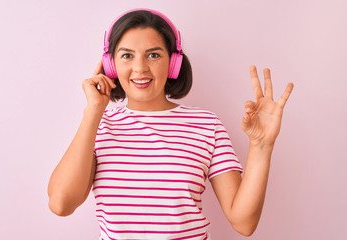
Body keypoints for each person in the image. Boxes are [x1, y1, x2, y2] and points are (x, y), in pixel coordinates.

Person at [47, 8, 294, 240]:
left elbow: (243, 223)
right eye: (127, 56)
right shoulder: (98, 126)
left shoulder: (206, 125)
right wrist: (94, 111)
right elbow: (61, 204)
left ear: (173, 63)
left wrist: (262, 145)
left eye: (153, 54)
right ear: (111, 65)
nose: (140, 67)